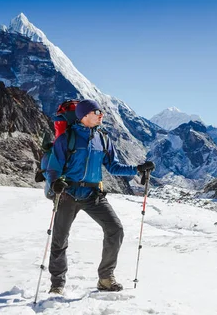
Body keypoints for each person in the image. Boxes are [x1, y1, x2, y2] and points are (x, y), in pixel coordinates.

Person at [46, 99, 155, 294]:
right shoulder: (67, 138)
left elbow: (113, 166)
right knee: (59, 239)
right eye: (97, 112)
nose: (101, 115)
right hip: (68, 194)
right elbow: (53, 166)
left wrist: (137, 169)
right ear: (84, 115)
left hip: (93, 194)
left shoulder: (103, 139)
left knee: (115, 229)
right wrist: (55, 183)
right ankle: (57, 283)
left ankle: (105, 278)